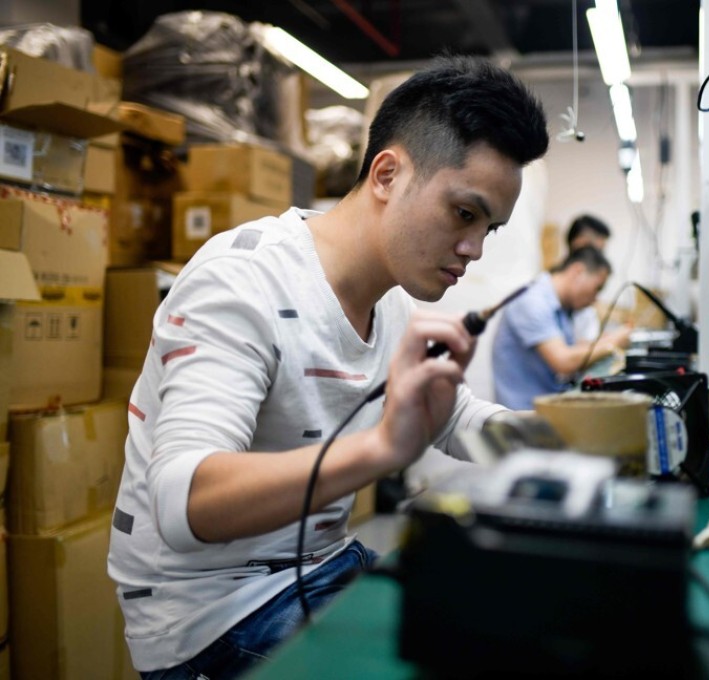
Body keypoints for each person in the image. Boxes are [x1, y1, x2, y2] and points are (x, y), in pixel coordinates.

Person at [108, 56, 549, 679]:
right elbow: (184, 505)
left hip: (321, 567)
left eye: (489, 228)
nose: (474, 249)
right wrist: (379, 449)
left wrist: (561, 440)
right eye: (463, 213)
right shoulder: (243, 281)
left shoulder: (388, 301)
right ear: (388, 174)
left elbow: (452, 416)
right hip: (211, 619)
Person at [491, 246, 631, 410]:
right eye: (597, 288)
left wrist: (602, 341)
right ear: (577, 271)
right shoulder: (533, 301)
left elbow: (570, 349)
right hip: (523, 415)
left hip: (544, 405)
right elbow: (563, 361)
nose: (595, 299)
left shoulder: (561, 307)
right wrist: (612, 344)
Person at [565, 213, 613, 342]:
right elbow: (563, 357)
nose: (601, 259)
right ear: (580, 244)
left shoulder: (583, 302)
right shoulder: (548, 295)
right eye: (599, 252)